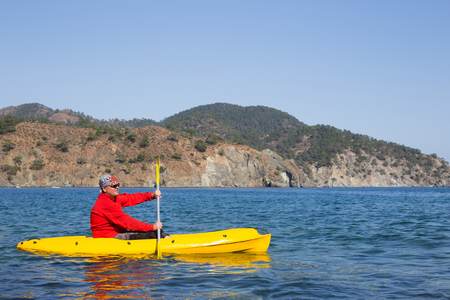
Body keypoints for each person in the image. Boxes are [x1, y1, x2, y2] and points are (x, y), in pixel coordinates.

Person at [90, 174, 171, 240]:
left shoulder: (114, 198)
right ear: (104, 189)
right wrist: (151, 227)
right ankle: (169, 242)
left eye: (118, 185)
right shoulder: (105, 203)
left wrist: (151, 195)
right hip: (109, 237)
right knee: (155, 233)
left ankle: (168, 238)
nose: (117, 187)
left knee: (157, 232)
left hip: (118, 232)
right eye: (113, 186)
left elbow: (131, 198)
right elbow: (126, 222)